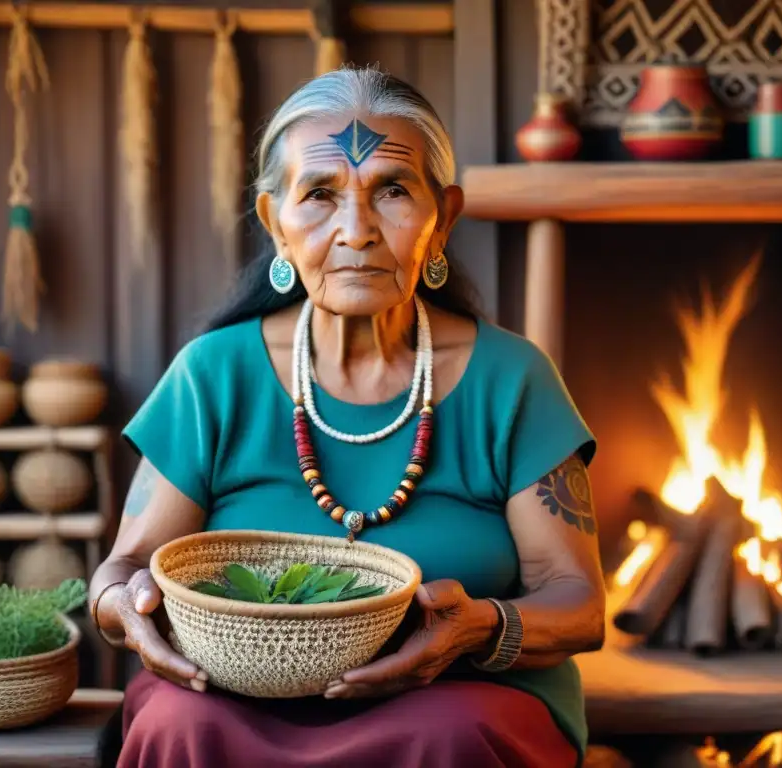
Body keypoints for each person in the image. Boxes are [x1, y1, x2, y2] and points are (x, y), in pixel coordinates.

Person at [89, 66, 605, 768]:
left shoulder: (512, 380)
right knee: (181, 723)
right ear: (275, 222)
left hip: (454, 696)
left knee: (449, 734)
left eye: (391, 191)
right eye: (320, 195)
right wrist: (127, 610)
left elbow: (578, 604)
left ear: (443, 217)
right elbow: (122, 571)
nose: (356, 230)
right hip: (235, 700)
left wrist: (474, 629)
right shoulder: (213, 375)